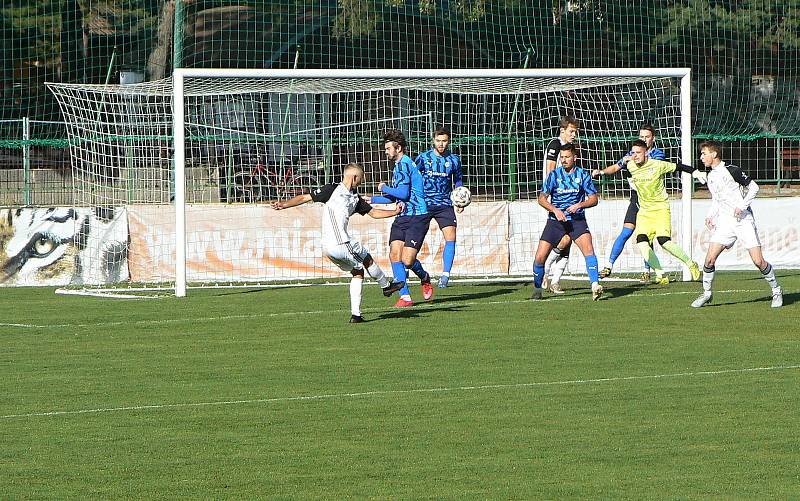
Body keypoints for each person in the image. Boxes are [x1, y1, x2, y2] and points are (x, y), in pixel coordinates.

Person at [271, 163, 405, 323]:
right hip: (341, 243)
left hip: (328, 247)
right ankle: (373, 299)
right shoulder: (332, 189)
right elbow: (305, 197)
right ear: (355, 177)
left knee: (363, 262)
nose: (360, 182)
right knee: (360, 270)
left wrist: (394, 212)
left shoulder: (355, 198)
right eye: (360, 179)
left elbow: (374, 213)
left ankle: (378, 294)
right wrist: (284, 204)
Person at [691, 141, 782, 308]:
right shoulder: (710, 176)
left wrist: (742, 206)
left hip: (743, 221)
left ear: (714, 155)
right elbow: (717, 200)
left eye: (704, 153)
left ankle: (776, 290)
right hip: (725, 223)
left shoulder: (732, 170)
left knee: (758, 261)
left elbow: (754, 188)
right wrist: (710, 216)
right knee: (709, 260)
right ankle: (706, 293)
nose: (701, 157)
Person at [623, 139, 706, 283]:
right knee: (641, 242)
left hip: (660, 209)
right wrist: (629, 178)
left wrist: (695, 172)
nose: (635, 156)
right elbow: (626, 170)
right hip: (644, 211)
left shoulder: (657, 165)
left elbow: (679, 166)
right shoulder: (631, 165)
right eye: (633, 153)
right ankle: (660, 273)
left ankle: (690, 263)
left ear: (646, 153)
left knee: (664, 241)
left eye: (638, 153)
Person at [592, 124, 665, 283]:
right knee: (626, 232)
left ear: (653, 138)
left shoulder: (658, 154)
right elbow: (617, 166)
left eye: (646, 136)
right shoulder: (632, 153)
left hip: (651, 200)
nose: (643, 139)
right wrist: (602, 172)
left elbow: (650, 166)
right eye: (641, 136)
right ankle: (609, 266)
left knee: (647, 237)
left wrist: (633, 159)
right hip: (636, 198)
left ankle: (647, 270)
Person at [531, 143, 603, 301]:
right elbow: (541, 198)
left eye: (567, 157)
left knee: (589, 249)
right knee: (539, 257)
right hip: (555, 221)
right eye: (561, 157)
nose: (563, 160)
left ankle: (595, 285)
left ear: (574, 158)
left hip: (576, 220)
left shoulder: (583, 175)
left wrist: (580, 205)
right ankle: (537, 289)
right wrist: (555, 210)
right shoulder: (554, 175)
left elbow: (594, 199)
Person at [371, 129, 434, 307]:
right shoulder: (398, 166)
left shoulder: (405, 164)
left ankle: (424, 276)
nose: (386, 152)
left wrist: (384, 187)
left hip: (417, 216)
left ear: (398, 148)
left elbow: (404, 194)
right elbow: (397, 196)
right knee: (394, 254)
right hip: (402, 215)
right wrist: (372, 199)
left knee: (407, 260)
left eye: (388, 148)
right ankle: (405, 296)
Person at [415, 127, 464, 288]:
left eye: (444, 141)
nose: (441, 144)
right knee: (415, 238)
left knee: (451, 237)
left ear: (448, 141)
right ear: (433, 141)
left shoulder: (454, 160)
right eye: (438, 141)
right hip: (425, 203)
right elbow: (414, 177)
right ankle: (411, 267)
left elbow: (457, 181)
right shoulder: (423, 158)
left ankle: (445, 276)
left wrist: (459, 199)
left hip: (444, 204)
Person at [540, 115, 580, 294]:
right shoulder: (555, 145)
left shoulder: (568, 149)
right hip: (556, 199)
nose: (574, 135)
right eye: (571, 131)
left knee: (569, 239)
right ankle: (545, 269)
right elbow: (550, 172)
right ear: (563, 131)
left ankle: (555, 280)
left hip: (569, 198)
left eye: (575, 132)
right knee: (563, 238)